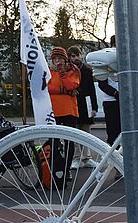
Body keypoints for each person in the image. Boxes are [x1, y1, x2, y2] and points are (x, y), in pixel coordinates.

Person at [48, 46, 80, 181]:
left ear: (65, 59)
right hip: (53, 110)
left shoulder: (72, 70)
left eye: (60, 58)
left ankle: (66, 169)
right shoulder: (48, 71)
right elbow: (47, 87)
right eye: (55, 58)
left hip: (69, 110)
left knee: (69, 142)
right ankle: (56, 169)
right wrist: (63, 91)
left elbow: (72, 86)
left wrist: (62, 74)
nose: (57, 61)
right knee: (54, 141)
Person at [67, 45, 99, 169]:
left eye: (77, 55)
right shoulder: (68, 70)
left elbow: (92, 89)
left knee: (86, 131)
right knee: (74, 130)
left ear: (81, 55)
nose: (75, 58)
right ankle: (76, 157)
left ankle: (87, 158)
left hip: (85, 103)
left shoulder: (87, 70)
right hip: (72, 102)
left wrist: (94, 107)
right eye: (72, 56)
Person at [98, 35, 121, 147]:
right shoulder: (105, 57)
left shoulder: (126, 57)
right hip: (110, 101)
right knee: (112, 132)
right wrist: (115, 93)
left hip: (125, 102)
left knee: (125, 131)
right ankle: (112, 157)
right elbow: (102, 83)